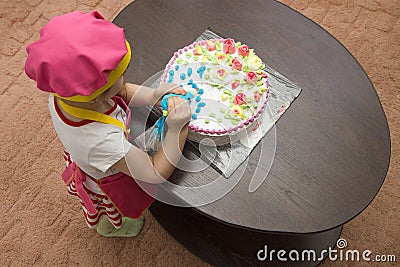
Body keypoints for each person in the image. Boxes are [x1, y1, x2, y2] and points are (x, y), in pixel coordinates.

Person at [24, 11, 191, 237]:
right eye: (120, 76)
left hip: (91, 156)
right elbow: (154, 172)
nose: (124, 80)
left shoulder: (63, 92)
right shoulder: (102, 142)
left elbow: (118, 91)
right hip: (104, 173)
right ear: (96, 97)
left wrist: (154, 96)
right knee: (113, 210)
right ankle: (113, 227)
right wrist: (178, 129)